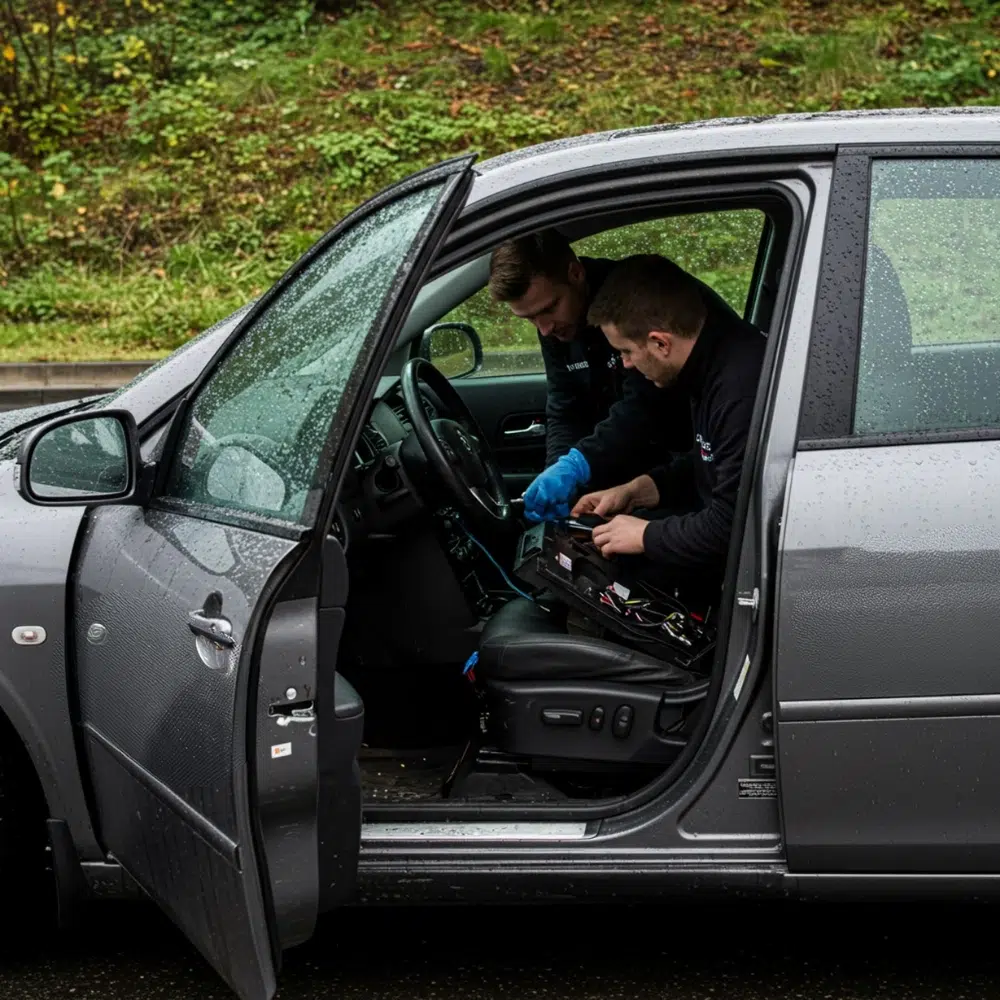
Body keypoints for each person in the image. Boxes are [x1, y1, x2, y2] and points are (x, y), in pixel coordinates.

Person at [572, 253, 765, 597]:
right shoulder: (707, 367)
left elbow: (732, 526)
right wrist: (640, 489)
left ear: (661, 343)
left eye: (627, 352)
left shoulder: (739, 389)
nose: (626, 365)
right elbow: (714, 462)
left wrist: (645, 535)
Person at [488, 230, 703, 520]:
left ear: (575, 273)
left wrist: (579, 464)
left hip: (687, 459)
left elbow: (648, 404)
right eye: (528, 319)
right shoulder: (554, 324)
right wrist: (558, 470)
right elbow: (565, 405)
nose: (544, 329)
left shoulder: (628, 299)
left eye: (548, 309)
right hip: (637, 465)